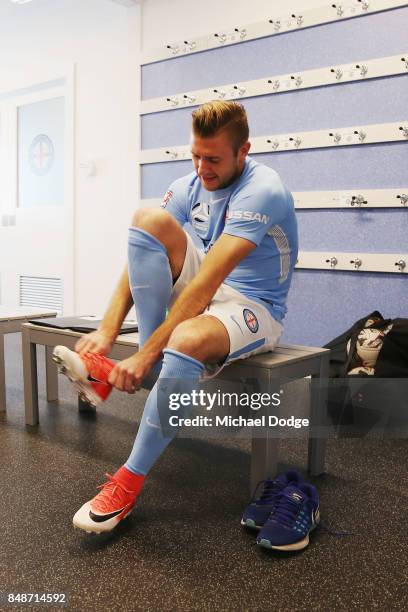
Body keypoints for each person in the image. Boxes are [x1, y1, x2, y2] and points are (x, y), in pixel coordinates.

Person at [67, 100, 299, 533]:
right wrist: (108, 328)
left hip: (254, 305)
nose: (201, 168)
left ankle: (128, 483)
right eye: (195, 155)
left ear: (243, 151)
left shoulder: (263, 189)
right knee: (147, 219)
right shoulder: (191, 183)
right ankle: (143, 362)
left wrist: (145, 354)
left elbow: (207, 284)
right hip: (210, 290)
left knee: (187, 338)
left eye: (212, 159)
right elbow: (140, 253)